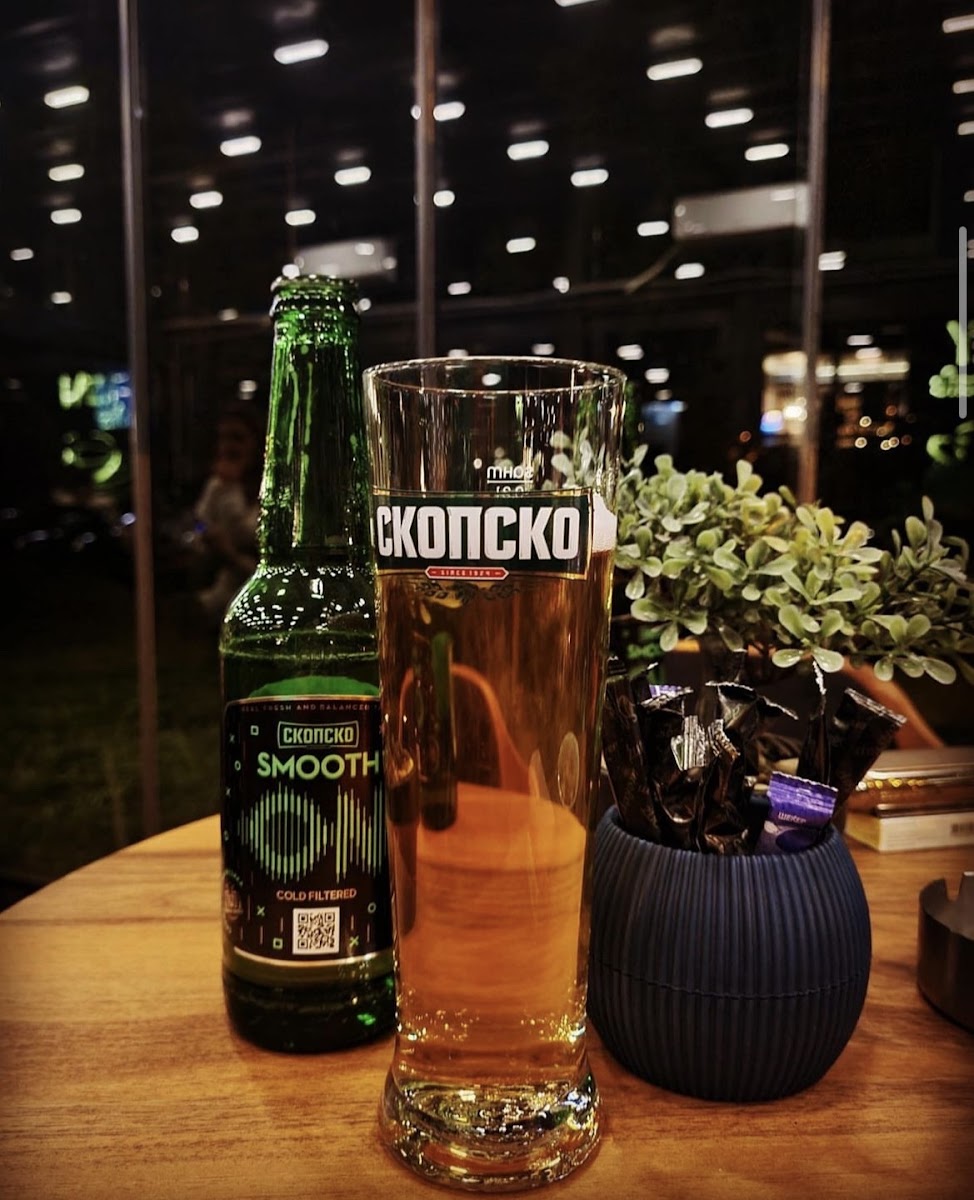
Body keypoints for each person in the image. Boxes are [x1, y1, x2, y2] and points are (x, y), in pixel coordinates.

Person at [193, 405, 263, 624]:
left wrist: (231, 553)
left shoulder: (269, 489)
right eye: (223, 438)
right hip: (220, 593)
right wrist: (206, 533)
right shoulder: (217, 485)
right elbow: (198, 524)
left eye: (237, 438)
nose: (228, 446)